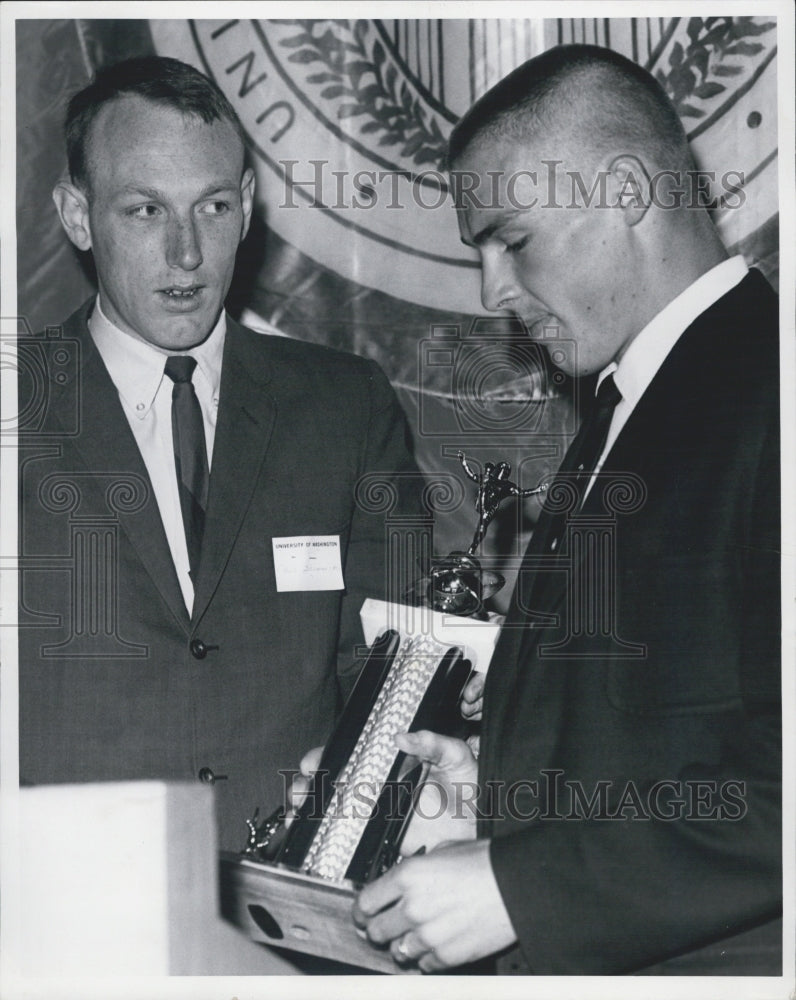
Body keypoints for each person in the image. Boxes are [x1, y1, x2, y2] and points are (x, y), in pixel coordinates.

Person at [349, 44, 781, 975]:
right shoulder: (629, 402)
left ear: (627, 192)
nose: (491, 292)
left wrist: (521, 886)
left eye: (514, 241)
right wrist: (487, 800)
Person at [18, 55, 421, 871]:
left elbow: (389, 670)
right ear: (77, 214)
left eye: (212, 205)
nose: (186, 251)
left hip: (292, 915)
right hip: (64, 908)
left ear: (246, 210)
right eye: (143, 209)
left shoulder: (348, 407)